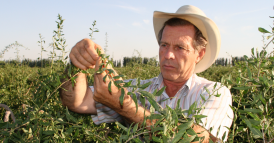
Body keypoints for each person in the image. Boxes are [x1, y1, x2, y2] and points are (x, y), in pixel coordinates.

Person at [60, 5, 233, 142]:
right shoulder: (139, 89)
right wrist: (77, 64)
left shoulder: (214, 92)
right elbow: (77, 101)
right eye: (164, 45)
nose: (168, 55)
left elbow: (194, 139)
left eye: (180, 47)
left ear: (199, 54)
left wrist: (125, 105)